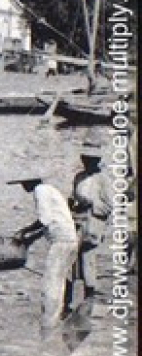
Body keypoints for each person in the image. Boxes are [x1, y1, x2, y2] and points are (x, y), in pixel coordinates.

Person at [10, 175, 78, 330]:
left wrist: (24, 231)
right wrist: (31, 238)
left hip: (61, 241)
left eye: (23, 183)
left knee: (51, 282)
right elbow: (50, 222)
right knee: (59, 281)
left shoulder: (40, 191)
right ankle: (57, 316)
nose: (23, 187)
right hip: (68, 239)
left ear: (29, 182)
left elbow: (44, 220)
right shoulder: (50, 190)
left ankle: (49, 322)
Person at [69, 129, 112, 301]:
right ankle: (70, 298)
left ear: (98, 160)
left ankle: (90, 295)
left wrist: (92, 204)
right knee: (72, 262)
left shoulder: (104, 180)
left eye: (91, 160)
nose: (87, 162)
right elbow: (73, 196)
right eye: (85, 159)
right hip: (78, 221)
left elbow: (110, 205)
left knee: (89, 260)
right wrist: (73, 203)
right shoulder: (78, 177)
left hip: (94, 223)